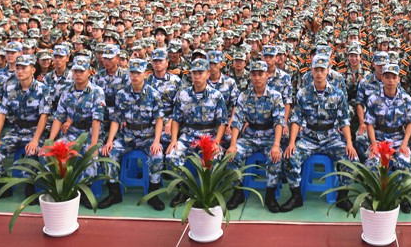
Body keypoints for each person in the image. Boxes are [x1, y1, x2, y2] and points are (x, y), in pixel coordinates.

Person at [281, 56, 357, 213]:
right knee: (289, 156)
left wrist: (349, 143)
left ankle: (343, 196)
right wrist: (292, 142)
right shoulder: (303, 93)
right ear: (312, 71)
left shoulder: (337, 94)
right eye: (316, 70)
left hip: (331, 138)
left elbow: (344, 121)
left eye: (322, 70)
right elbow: (296, 119)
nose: (319, 73)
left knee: (352, 159)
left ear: (328, 71)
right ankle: (296, 196)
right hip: (309, 137)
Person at [99, 59, 165, 211]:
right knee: (109, 153)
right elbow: (116, 119)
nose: (135, 76)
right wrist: (110, 141)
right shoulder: (122, 94)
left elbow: (159, 120)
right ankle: (114, 192)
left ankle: (153, 194)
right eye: (132, 72)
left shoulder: (153, 94)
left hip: (147, 137)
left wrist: (156, 141)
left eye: (138, 73)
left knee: (157, 155)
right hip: (127, 136)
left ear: (145, 74)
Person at [0, 54, 51, 204]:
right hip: (17, 130)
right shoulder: (10, 89)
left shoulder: (43, 89)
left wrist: (35, 140)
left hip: (36, 131)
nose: (20, 71)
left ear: (33, 70)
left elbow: (44, 116)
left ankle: (30, 187)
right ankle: (3, 186)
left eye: (24, 68)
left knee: (31, 153)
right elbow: (1, 113)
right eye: (18, 68)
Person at [167, 58, 228, 207]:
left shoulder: (216, 95)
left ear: (208, 74)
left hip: (209, 134)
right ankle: (184, 189)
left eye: (200, 73)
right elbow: (176, 119)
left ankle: (209, 191)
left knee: (217, 157)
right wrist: (174, 140)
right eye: (194, 73)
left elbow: (222, 122)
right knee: (171, 156)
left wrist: (217, 141)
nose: (197, 76)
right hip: (188, 134)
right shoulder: (183, 94)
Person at [226, 60, 285, 213]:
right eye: (254, 74)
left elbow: (279, 121)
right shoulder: (244, 96)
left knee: (275, 157)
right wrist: (233, 144)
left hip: (269, 137)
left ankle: (270, 194)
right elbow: (237, 121)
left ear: (267, 75)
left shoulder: (275, 96)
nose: (257, 78)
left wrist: (276, 145)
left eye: (260, 74)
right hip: (250, 137)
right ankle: (238, 192)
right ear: (250, 76)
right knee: (231, 156)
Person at [48, 56, 105, 208]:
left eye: (82, 71)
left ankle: (85, 191)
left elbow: (96, 120)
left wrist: (93, 145)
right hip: (72, 132)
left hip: (90, 133)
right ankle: (62, 189)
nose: (78, 74)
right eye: (75, 71)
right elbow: (59, 117)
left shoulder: (96, 92)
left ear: (89, 72)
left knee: (90, 157)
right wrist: (50, 140)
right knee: (53, 152)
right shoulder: (66, 91)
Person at [364, 63, 411, 212]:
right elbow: (369, 123)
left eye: (394, 77)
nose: (390, 80)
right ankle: (374, 196)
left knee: (404, 163)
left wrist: (405, 144)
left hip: (398, 139)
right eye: (387, 77)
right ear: (382, 78)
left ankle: (403, 196)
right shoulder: (374, 98)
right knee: (371, 164)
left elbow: (410, 123)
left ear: (399, 79)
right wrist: (374, 143)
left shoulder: (405, 98)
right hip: (379, 139)